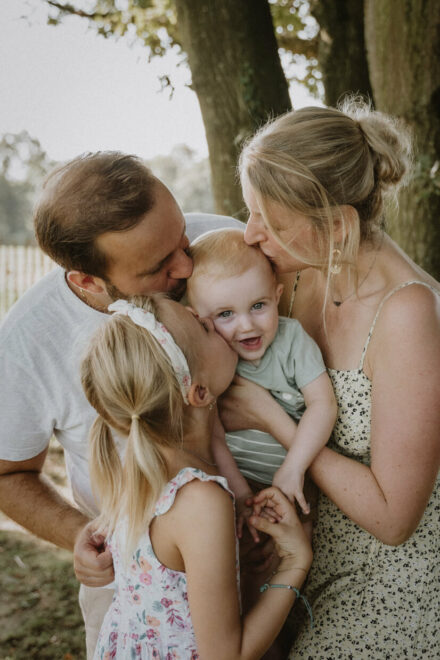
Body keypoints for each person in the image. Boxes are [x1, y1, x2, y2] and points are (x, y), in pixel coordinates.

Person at [218, 99, 440, 658]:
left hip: (390, 587)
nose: (250, 234)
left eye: (268, 220)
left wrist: (272, 420)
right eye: (250, 212)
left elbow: (394, 520)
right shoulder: (291, 280)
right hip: (298, 559)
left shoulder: (407, 313)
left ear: (336, 223)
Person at [0, 151, 241, 657]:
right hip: (143, 593)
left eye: (180, 238)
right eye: (158, 265)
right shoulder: (25, 345)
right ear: (87, 281)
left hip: (262, 545)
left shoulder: (223, 243)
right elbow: (7, 472)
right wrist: (83, 535)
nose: (188, 264)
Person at [81, 295, 313, 659]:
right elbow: (227, 656)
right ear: (199, 391)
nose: (212, 320)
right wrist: (296, 561)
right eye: (205, 327)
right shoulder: (201, 501)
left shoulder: (141, 467)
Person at [186, 228, 336, 536]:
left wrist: (294, 467)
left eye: (258, 305)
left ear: (277, 296)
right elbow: (212, 437)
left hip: (295, 477)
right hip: (233, 482)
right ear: (197, 318)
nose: (247, 325)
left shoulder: (291, 340)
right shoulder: (208, 361)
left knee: (297, 546)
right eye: (225, 314)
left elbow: (323, 404)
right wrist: (241, 496)